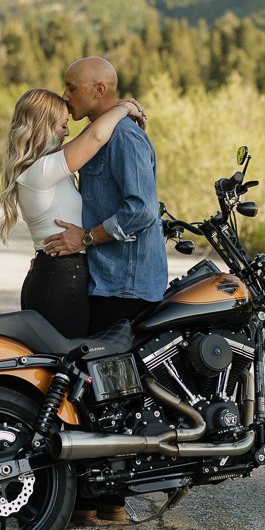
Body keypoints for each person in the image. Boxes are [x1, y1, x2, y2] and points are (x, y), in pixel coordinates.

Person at [0, 88, 145, 338]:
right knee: (65, 368)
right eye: (62, 125)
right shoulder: (42, 171)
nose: (67, 131)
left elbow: (87, 137)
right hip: (61, 281)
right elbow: (95, 137)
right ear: (43, 127)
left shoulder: (42, 168)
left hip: (57, 276)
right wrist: (125, 108)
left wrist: (115, 108)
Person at [43, 57, 169, 335]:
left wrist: (86, 237)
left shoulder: (125, 137)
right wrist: (125, 106)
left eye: (71, 88)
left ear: (99, 90)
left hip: (124, 286)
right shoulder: (99, 135)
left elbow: (141, 210)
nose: (65, 96)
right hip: (105, 280)